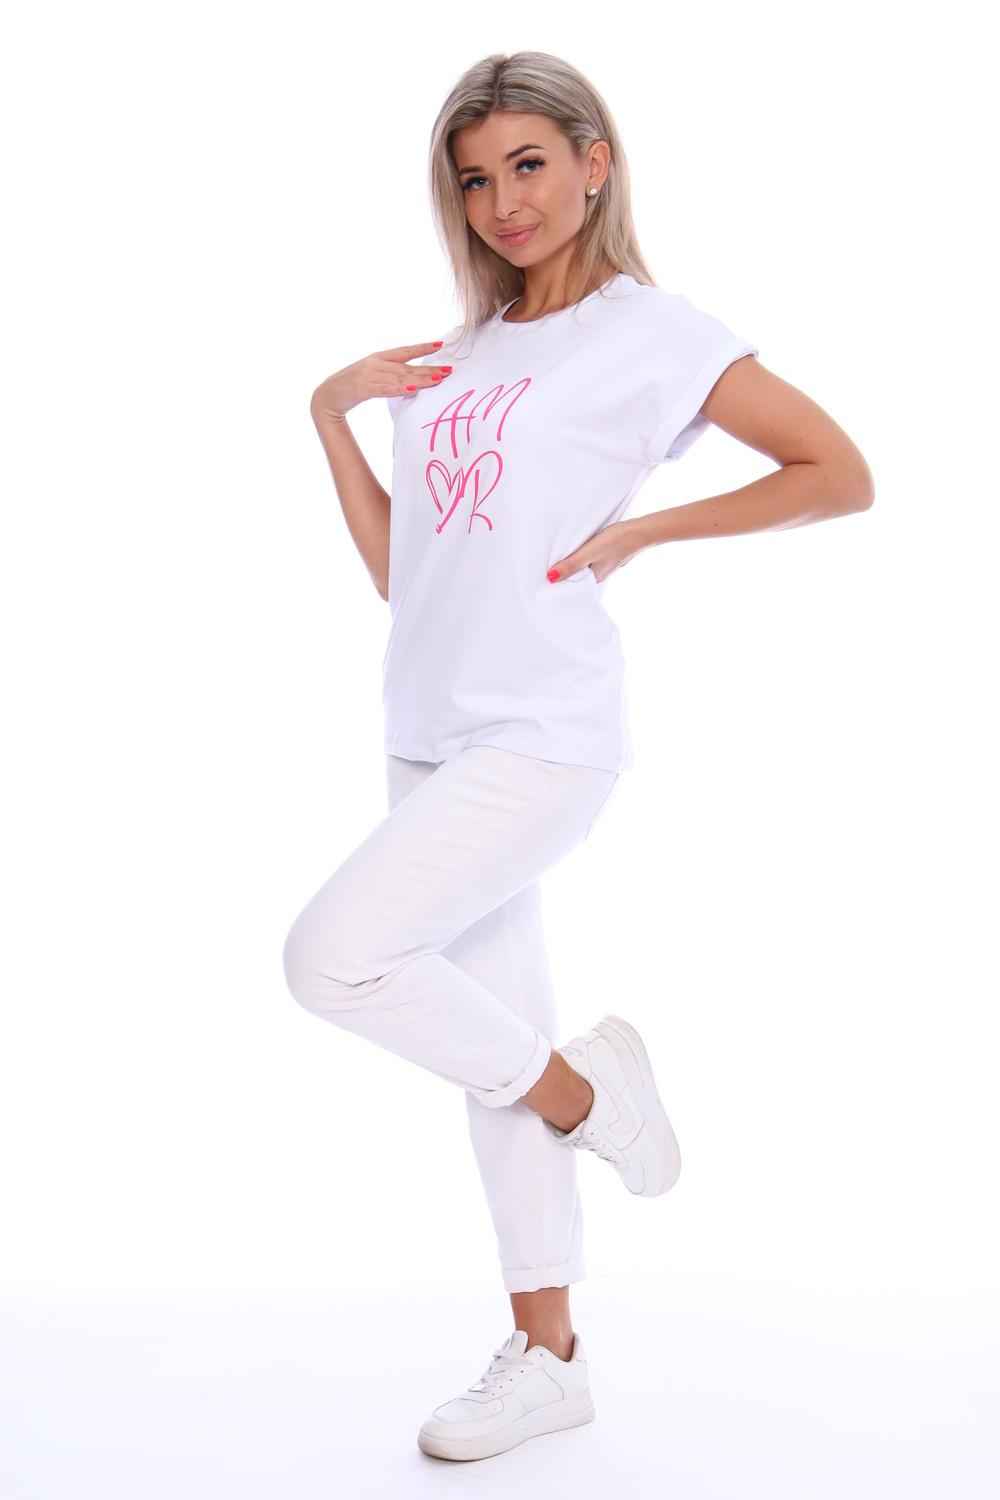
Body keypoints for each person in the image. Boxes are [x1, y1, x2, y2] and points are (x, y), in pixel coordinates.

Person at [281, 50, 875, 1463]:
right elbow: (407, 578)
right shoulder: (460, 356)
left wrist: (647, 530)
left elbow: (838, 473)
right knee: (482, 1044)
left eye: (530, 164)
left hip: (543, 733)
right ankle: (548, 1356)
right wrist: (331, 417)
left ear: (595, 162)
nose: (504, 201)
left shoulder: (653, 334)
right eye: (476, 178)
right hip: (425, 730)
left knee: (333, 961)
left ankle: (587, 1092)